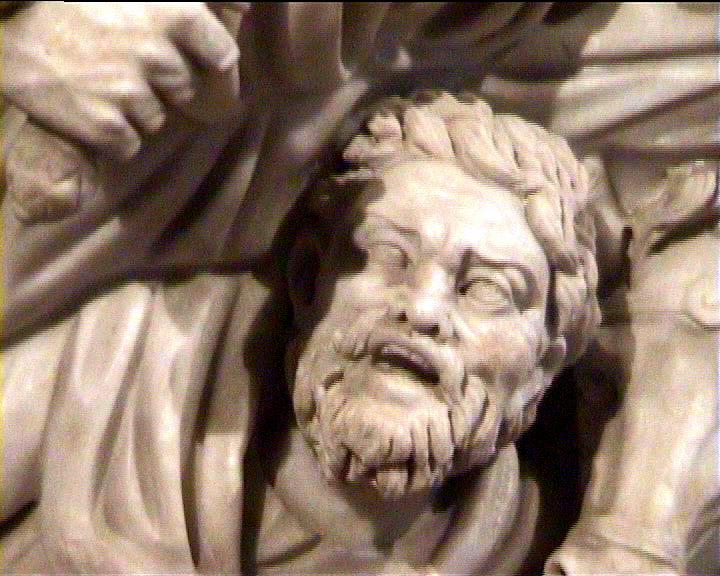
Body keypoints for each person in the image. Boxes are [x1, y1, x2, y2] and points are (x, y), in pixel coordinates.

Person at [1, 3, 718, 574]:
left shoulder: (536, 531)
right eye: (390, 257)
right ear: (307, 276)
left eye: (489, 291)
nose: (423, 310)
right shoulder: (114, 390)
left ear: (547, 364)